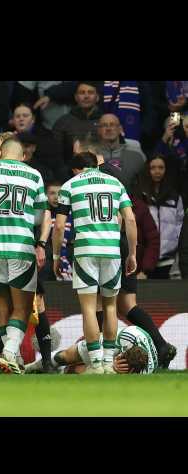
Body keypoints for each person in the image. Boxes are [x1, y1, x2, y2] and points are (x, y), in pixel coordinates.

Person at [75, 138, 177, 368]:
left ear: (89, 154)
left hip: (103, 242)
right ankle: (161, 345)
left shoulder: (92, 177)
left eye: (78, 155)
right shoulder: (116, 174)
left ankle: (100, 357)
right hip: (119, 243)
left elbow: (123, 216)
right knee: (126, 304)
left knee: (100, 303)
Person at [0, 137, 51, 374]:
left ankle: (9, 360)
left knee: (2, 305)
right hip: (20, 247)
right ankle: (9, 353)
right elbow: (39, 215)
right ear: (22, 155)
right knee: (22, 307)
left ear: (0, 153)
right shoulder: (33, 175)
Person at [53, 152, 137, 375]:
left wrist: (55, 256)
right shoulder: (116, 183)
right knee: (110, 306)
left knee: (89, 308)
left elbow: (59, 226)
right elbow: (129, 219)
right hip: (111, 250)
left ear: (76, 169)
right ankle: (109, 362)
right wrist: (132, 254)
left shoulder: (70, 185)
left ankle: (96, 363)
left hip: (85, 250)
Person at [25, 325, 158, 375]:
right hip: (108, 344)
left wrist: (114, 369)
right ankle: (29, 368)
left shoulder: (145, 371)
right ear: (124, 352)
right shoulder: (125, 337)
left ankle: (62, 372)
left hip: (123, 356)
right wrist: (109, 363)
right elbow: (102, 340)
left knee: (90, 374)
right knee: (65, 357)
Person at [134, 155, 184, 279]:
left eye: (161, 167)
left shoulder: (175, 197)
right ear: (147, 170)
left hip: (169, 260)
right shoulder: (140, 197)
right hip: (145, 260)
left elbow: (180, 226)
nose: (157, 171)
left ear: (166, 170)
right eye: (153, 168)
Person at [10, 103, 65, 180]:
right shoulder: (6, 136)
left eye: (25, 116)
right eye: (17, 116)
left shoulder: (47, 136)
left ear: (33, 119)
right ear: (12, 120)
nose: (21, 119)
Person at [53, 82, 102, 165]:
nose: (86, 96)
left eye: (90, 92)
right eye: (82, 93)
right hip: (71, 172)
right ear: (76, 97)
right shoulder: (63, 122)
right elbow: (56, 156)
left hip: (102, 173)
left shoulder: (106, 121)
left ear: (97, 97)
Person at [95, 114, 145, 190]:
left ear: (120, 129)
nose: (108, 128)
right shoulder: (91, 155)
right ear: (98, 130)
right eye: (104, 125)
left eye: (112, 125)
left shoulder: (136, 154)